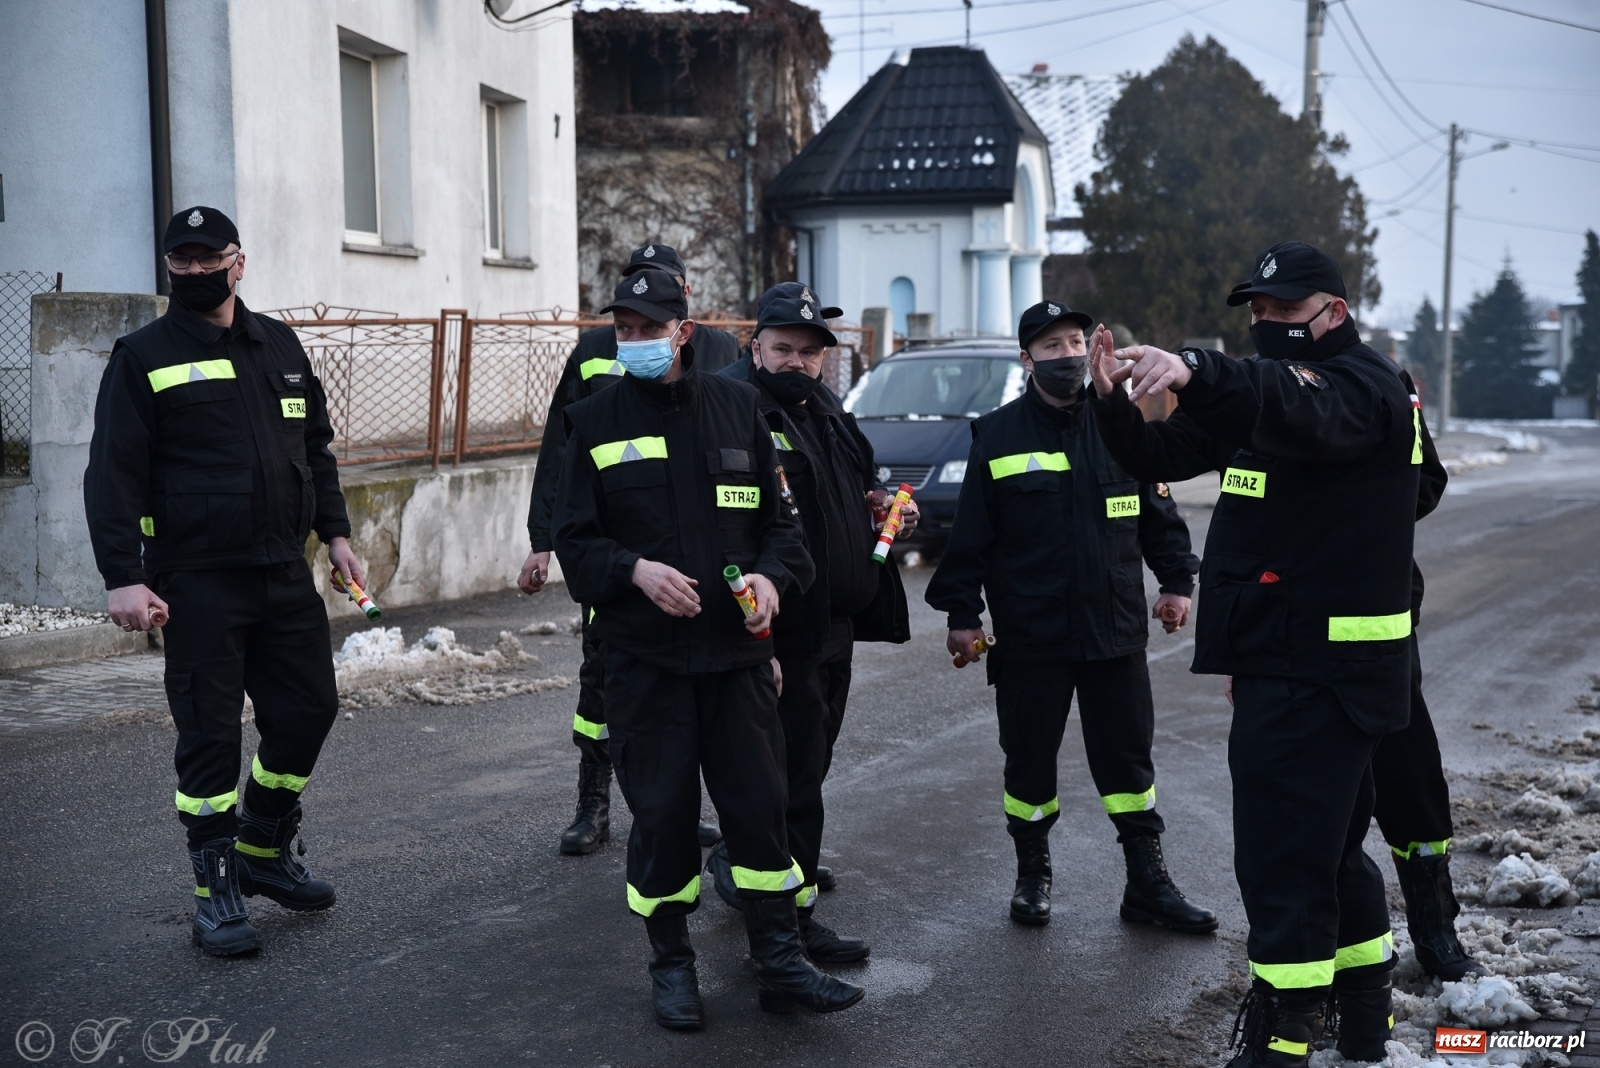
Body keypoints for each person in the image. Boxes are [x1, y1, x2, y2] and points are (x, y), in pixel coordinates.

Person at [1088, 241, 1420, 1067]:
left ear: (1333, 313)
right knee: (1329, 848)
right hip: (1290, 658)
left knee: (1282, 858)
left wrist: (1198, 365)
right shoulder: (1276, 405)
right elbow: (1163, 456)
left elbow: (1292, 397)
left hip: (1324, 670)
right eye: (1259, 313)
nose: (1267, 325)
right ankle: (1365, 1018)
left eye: (1282, 311)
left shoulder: (1363, 386)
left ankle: (1279, 1039)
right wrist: (1110, 404)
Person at [551, 269, 864, 1029]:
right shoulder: (592, 421)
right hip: (645, 663)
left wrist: (769, 579)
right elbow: (574, 542)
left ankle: (781, 962)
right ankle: (672, 966)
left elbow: (781, 530)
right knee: (660, 823)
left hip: (738, 663)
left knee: (760, 815)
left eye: (648, 329)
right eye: (622, 330)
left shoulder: (738, 409)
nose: (634, 343)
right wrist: (634, 571)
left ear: (683, 332)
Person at [84, 206, 361, 957]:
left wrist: (335, 533)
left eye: (212, 260)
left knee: (308, 710)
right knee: (209, 738)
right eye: (185, 262)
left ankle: (263, 846)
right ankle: (215, 892)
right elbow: (113, 472)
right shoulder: (143, 355)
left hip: (280, 568)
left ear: (239, 262)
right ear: (169, 267)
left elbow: (316, 449)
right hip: (196, 579)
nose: (199, 273)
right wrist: (122, 578)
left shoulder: (280, 344)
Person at [924, 299, 1216, 936]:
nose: (1068, 355)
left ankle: (1148, 884)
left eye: (1076, 342)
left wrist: (1175, 583)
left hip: (1113, 634)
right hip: (1032, 639)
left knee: (1130, 769)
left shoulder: (1121, 426)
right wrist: (961, 614)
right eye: (1052, 346)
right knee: (1028, 766)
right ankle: (1033, 876)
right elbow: (970, 538)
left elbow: (1158, 517)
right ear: (1026, 358)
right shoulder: (996, 436)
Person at [704, 283, 915, 961]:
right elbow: (732, 524)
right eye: (783, 349)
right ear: (755, 345)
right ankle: (790, 921)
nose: (797, 361)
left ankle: (764, 873)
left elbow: (852, 487)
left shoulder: (823, 407)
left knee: (809, 770)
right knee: (786, 781)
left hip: (834, 625)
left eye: (809, 352)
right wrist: (751, 634)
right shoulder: (733, 408)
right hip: (779, 629)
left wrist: (882, 505)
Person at [518, 243, 733, 855]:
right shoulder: (592, 352)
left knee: (692, 684)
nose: (636, 331)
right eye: (633, 292)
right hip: (614, 549)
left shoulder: (720, 352)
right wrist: (543, 541)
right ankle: (594, 803)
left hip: (698, 545)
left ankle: (675, 806)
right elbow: (560, 450)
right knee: (602, 679)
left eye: (659, 290)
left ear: (684, 303)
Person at [1371, 375, 1481, 982]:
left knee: (1412, 782)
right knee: (1318, 806)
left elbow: (1426, 480)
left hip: (1382, 624)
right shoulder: (1263, 390)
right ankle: (1338, 955)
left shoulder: (1386, 384)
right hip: (1293, 634)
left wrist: (1363, 502)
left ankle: (1436, 930)